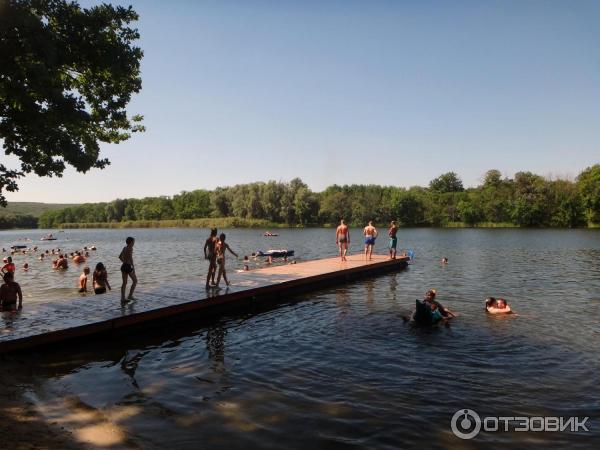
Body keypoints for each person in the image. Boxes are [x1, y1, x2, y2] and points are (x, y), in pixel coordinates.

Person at [119, 237, 137, 303]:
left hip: (123, 266)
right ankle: (130, 296)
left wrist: (124, 262)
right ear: (131, 242)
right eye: (133, 242)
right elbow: (131, 258)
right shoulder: (130, 248)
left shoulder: (124, 248)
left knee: (124, 283)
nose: (134, 243)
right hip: (128, 266)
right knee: (135, 281)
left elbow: (120, 257)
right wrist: (133, 267)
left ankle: (122, 298)